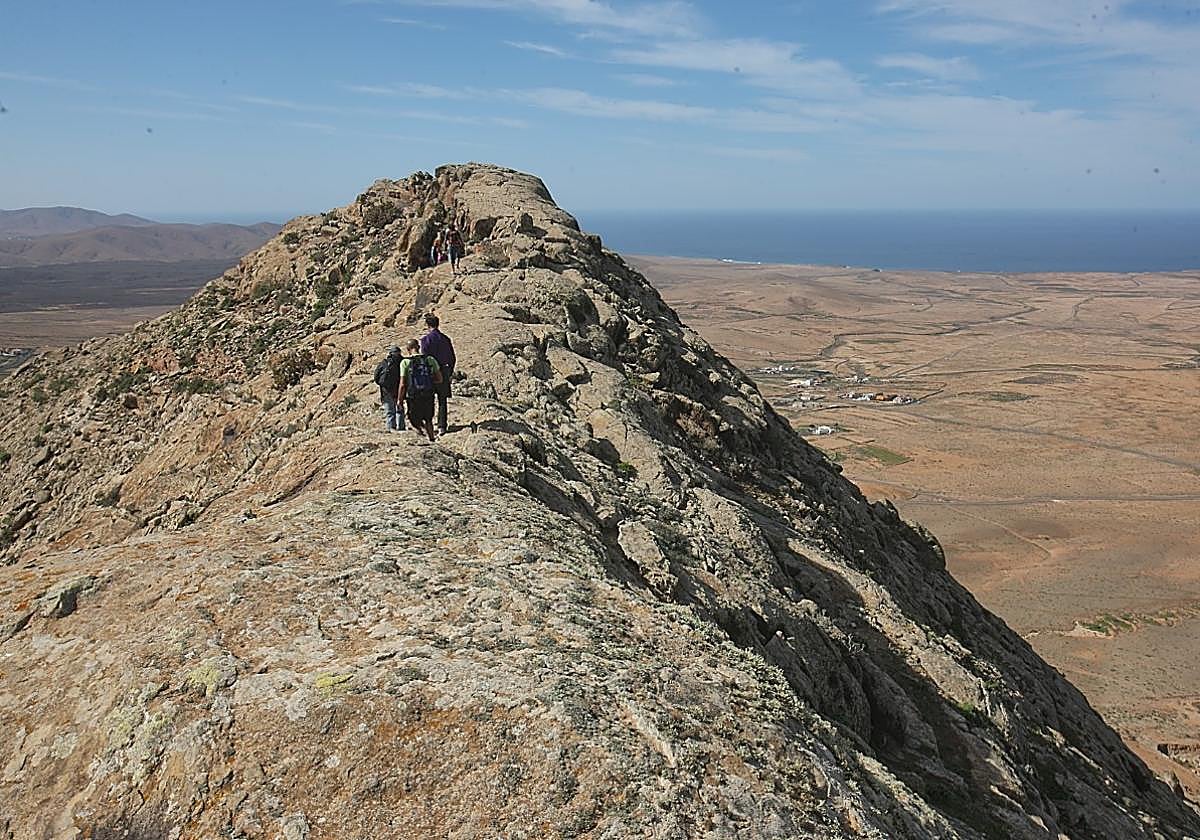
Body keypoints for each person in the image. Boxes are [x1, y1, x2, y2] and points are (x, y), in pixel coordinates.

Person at [419, 313, 456, 435]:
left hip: (430, 372)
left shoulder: (425, 340)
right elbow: (452, 358)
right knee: (442, 400)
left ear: (427, 325)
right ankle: (442, 426)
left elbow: (424, 357)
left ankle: (429, 425)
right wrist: (449, 372)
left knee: (428, 399)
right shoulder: (445, 339)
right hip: (444, 371)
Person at [399, 338, 443, 442]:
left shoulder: (405, 362)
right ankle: (431, 438)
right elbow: (440, 379)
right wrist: (429, 381)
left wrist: (400, 400)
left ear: (408, 349)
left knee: (414, 419)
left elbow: (403, 384)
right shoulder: (430, 359)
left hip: (413, 396)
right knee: (428, 419)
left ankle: (421, 438)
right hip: (428, 394)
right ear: (419, 347)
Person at [373, 345, 406, 431]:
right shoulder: (403, 362)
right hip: (399, 389)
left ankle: (391, 428)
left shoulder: (384, 363)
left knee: (390, 411)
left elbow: (376, 377)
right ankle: (401, 428)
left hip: (386, 390)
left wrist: (382, 385)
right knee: (399, 409)